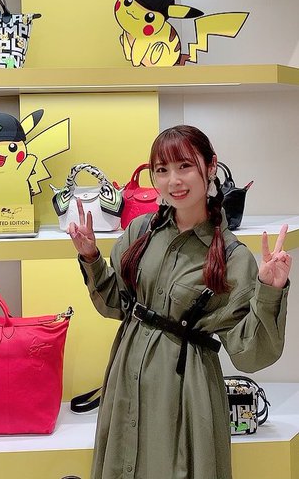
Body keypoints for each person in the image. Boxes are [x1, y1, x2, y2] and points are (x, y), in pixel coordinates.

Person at [68, 125, 291, 479]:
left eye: (184, 166)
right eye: (162, 170)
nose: (173, 180)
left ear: (210, 166)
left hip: (186, 391)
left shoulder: (232, 257)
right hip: (126, 374)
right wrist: (91, 257)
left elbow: (251, 353)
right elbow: (117, 304)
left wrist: (270, 290)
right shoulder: (140, 232)